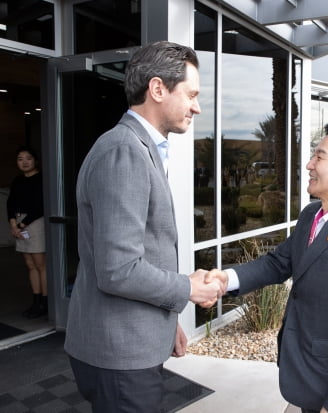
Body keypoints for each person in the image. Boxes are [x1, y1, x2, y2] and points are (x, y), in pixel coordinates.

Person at [64, 41, 225, 412]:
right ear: (157, 89)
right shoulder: (124, 152)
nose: (197, 107)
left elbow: (144, 253)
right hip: (119, 355)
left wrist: (166, 324)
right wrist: (188, 288)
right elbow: (119, 270)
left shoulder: (138, 147)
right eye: (191, 94)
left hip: (130, 342)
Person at [211, 123, 328, 413]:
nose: (309, 164)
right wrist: (226, 279)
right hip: (310, 375)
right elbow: (278, 263)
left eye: (320, 157)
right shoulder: (312, 215)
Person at [7, 146, 47, 319]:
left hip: (35, 223)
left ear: (35, 161)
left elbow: (40, 206)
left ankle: (45, 302)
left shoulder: (41, 179)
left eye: (28, 158)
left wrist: (21, 225)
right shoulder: (17, 180)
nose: (24, 162)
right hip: (19, 223)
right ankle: (35, 300)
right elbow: (10, 203)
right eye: (20, 159)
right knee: (30, 265)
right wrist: (13, 224)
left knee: (40, 265)